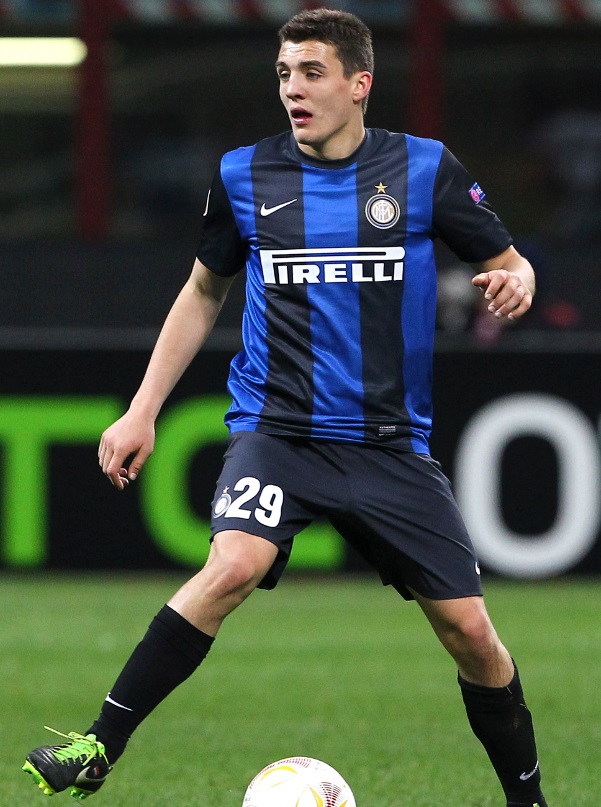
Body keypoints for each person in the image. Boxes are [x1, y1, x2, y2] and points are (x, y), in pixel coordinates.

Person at [23, 9, 547, 807]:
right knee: (231, 564)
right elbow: (203, 290)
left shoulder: (422, 168)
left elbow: (511, 261)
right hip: (278, 433)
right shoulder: (245, 175)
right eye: (283, 74)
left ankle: (528, 800)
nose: (292, 89)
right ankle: (97, 744)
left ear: (357, 84)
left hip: (386, 444)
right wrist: (141, 409)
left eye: (310, 72)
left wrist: (516, 281)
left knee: (472, 634)